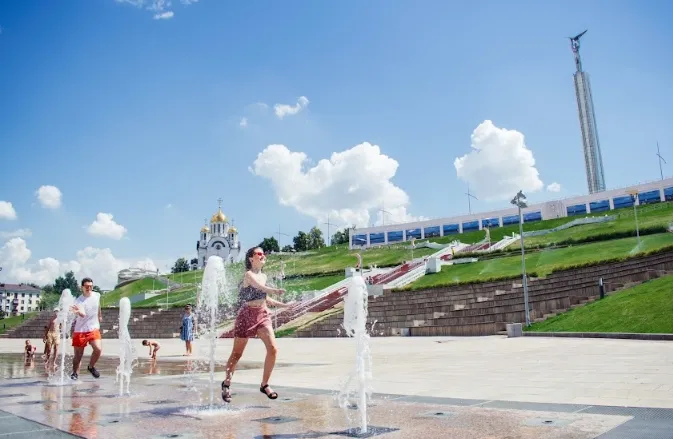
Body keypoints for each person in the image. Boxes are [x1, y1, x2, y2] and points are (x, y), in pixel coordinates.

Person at [221, 247, 290, 403]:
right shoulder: (248, 275)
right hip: (246, 316)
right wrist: (274, 290)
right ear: (251, 259)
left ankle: (265, 384)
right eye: (259, 253)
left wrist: (285, 305)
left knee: (273, 349)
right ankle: (226, 383)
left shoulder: (264, 276)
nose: (262, 255)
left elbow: (266, 298)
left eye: (263, 253)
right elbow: (261, 288)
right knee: (237, 354)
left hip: (262, 314)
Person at [70, 277, 102, 380]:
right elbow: (83, 314)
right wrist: (78, 312)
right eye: (87, 286)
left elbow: (98, 305)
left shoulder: (97, 295)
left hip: (93, 328)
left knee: (98, 349)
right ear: (82, 287)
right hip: (80, 330)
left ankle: (91, 367)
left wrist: (99, 315)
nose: (89, 288)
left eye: (91, 286)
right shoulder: (78, 301)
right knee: (78, 355)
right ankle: (75, 373)